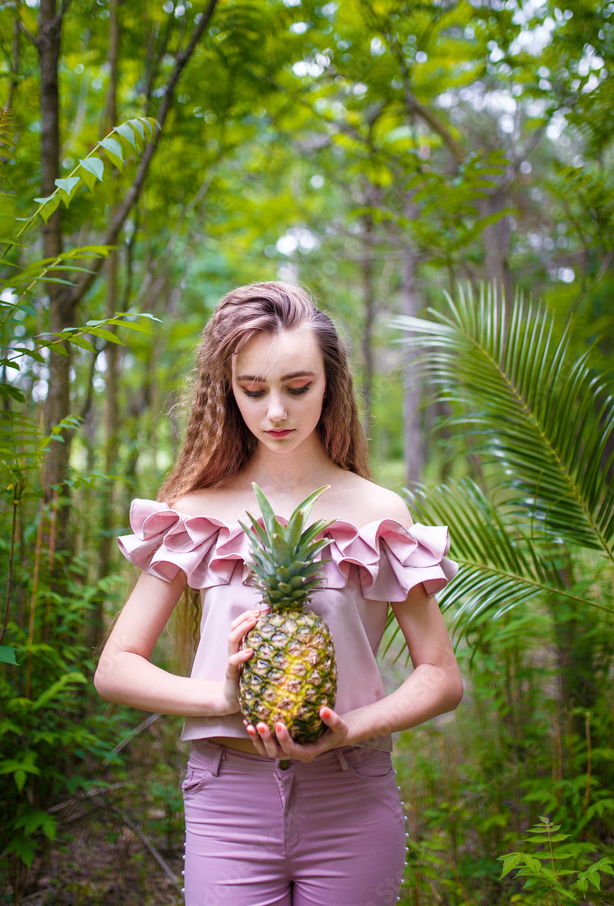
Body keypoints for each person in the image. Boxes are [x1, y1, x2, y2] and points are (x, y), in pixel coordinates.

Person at [95, 280, 463, 906]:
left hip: (351, 792)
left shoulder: (377, 511)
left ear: (331, 383)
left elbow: (441, 676)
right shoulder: (195, 512)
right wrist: (224, 697)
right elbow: (115, 669)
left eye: (298, 388)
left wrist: (347, 730)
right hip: (227, 795)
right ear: (226, 387)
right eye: (252, 389)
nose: (275, 413)